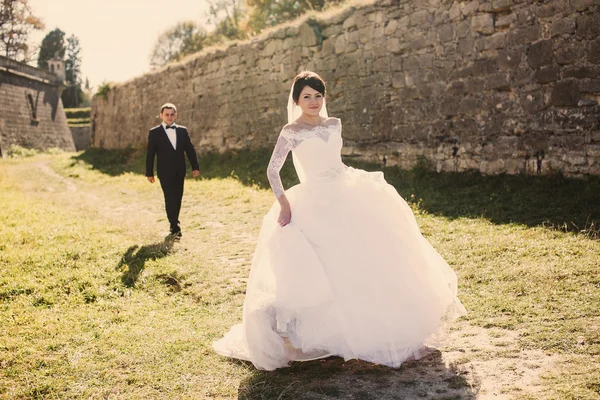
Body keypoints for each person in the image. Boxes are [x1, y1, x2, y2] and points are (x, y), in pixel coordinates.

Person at [213, 71, 466, 371]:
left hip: (345, 189)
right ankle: (327, 332)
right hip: (312, 198)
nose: (313, 101)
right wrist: (284, 204)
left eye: (318, 96)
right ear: (296, 100)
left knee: (365, 256)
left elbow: (336, 160)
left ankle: (371, 323)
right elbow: (272, 171)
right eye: (307, 96)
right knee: (324, 263)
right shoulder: (290, 131)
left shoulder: (333, 124)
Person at [145, 103, 200, 238]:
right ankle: (174, 225)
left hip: (180, 170)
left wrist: (195, 167)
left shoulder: (182, 131)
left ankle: (174, 221)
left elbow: (190, 150)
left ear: (176, 115)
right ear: (161, 116)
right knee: (169, 197)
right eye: (167, 115)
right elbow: (150, 154)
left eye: (172, 114)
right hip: (164, 172)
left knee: (178, 197)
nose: (169, 117)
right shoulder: (155, 132)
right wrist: (149, 172)